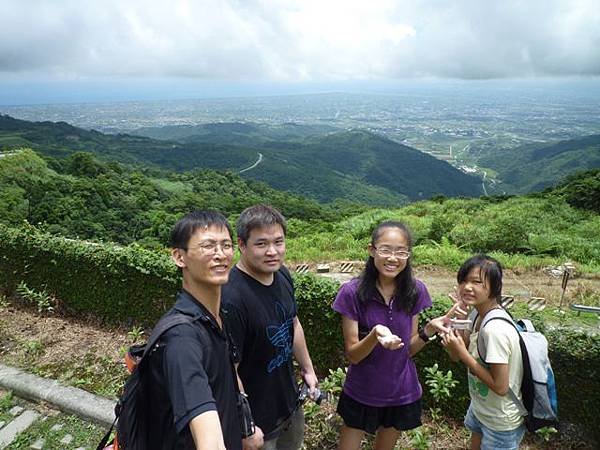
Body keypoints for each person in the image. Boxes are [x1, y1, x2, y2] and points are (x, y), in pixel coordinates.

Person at [332, 221, 461, 450]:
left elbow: (408, 349)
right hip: (362, 390)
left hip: (400, 391)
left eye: (401, 252)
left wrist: (428, 330)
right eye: (386, 250)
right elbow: (353, 355)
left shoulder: (415, 290)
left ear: (408, 256)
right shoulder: (352, 292)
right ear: (372, 250)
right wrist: (375, 335)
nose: (393, 258)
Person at [143, 210, 242, 450]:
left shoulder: (216, 316)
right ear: (179, 257)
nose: (220, 255)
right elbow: (210, 442)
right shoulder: (182, 339)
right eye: (208, 246)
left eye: (226, 245)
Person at [222, 204, 318, 450]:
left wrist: (307, 369)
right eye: (261, 244)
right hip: (258, 422)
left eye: (279, 242)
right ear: (241, 245)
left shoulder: (282, 274)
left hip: (288, 404)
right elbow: (228, 370)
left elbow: (293, 323)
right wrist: (246, 426)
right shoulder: (231, 299)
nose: (273, 251)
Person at [441, 254, 525, 450]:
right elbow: (455, 356)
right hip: (480, 408)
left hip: (500, 421)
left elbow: (501, 386)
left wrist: (461, 353)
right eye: (464, 280)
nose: (467, 287)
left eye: (477, 282)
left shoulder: (494, 330)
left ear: (495, 287)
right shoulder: (476, 314)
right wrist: (459, 321)